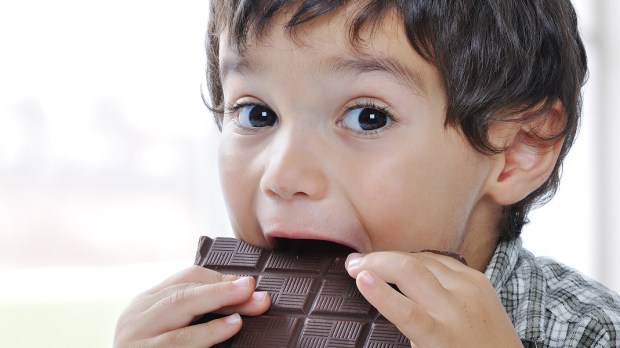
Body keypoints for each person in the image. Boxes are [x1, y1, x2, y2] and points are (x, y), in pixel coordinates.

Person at [114, 0, 620, 347]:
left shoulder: (590, 332)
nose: (284, 175)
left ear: (517, 149)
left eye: (367, 117)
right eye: (256, 113)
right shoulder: (204, 331)